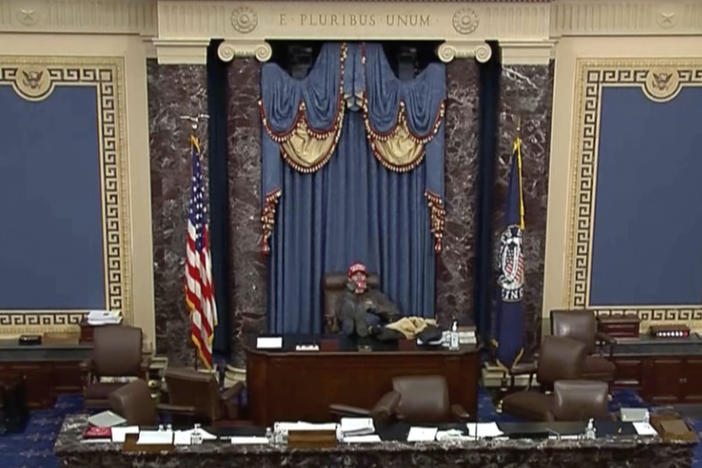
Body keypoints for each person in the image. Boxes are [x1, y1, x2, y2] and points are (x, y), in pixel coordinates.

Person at [335, 263, 400, 337]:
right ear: (350, 279)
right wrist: (352, 294)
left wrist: (373, 306)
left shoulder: (375, 294)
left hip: (370, 325)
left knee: (369, 316)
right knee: (348, 306)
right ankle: (352, 326)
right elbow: (338, 314)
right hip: (349, 326)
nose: (359, 278)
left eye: (362, 275)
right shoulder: (344, 296)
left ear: (365, 278)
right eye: (356, 275)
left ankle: (363, 326)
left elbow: (393, 311)